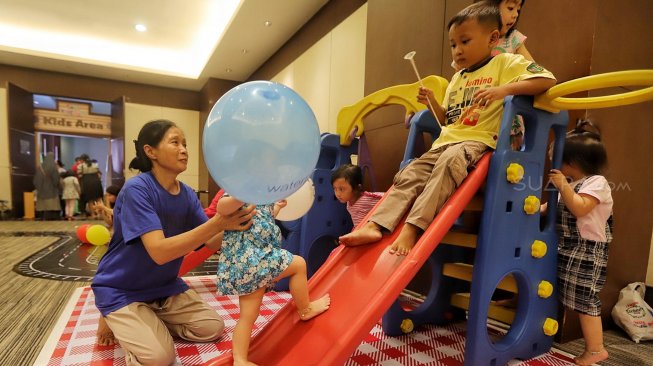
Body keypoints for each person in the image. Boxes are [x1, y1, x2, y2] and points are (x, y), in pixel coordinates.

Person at [340, 3, 556, 256]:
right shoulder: (458, 78)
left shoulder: (505, 63)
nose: (457, 50)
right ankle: (376, 225)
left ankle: (413, 228)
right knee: (410, 173)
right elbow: (448, 121)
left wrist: (504, 90)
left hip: (478, 141)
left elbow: (547, 79)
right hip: (445, 142)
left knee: (449, 163)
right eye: (453, 45)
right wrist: (432, 102)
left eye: (465, 41)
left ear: (493, 38)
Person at [91, 119, 256, 365]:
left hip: (163, 287)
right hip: (122, 288)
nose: (184, 149)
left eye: (185, 144)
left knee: (212, 327)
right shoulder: (137, 189)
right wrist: (219, 222)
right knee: (159, 358)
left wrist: (242, 223)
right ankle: (114, 313)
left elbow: (210, 242)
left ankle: (144, 318)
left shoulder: (187, 193)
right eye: (175, 142)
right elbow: (159, 252)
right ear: (150, 151)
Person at [215, 195, 330, 366]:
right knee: (299, 264)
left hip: (251, 265)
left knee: (248, 316)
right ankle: (305, 309)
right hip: (254, 259)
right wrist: (242, 195)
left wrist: (277, 208)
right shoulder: (238, 191)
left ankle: (240, 360)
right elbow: (222, 207)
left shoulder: (263, 198)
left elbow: (264, 218)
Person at [545, 120, 612, 365]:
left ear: (573, 162)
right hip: (569, 246)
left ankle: (596, 350)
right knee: (563, 290)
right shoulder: (572, 185)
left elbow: (581, 208)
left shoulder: (597, 183)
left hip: (587, 250)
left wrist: (562, 185)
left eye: (556, 160)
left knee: (584, 299)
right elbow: (556, 206)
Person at [33, 152, 62, 220]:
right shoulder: (53, 167)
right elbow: (56, 180)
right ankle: (51, 217)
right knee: (52, 205)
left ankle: (42, 217)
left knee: (42, 205)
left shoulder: (40, 168)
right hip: (51, 191)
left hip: (41, 191)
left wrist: (39, 187)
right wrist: (57, 185)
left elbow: (36, 180)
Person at [77, 154, 104, 218]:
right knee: (99, 199)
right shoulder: (95, 165)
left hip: (87, 183)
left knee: (90, 200)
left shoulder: (81, 166)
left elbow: (80, 175)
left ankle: (93, 215)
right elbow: (100, 174)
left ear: (82, 160)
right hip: (96, 182)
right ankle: (100, 214)